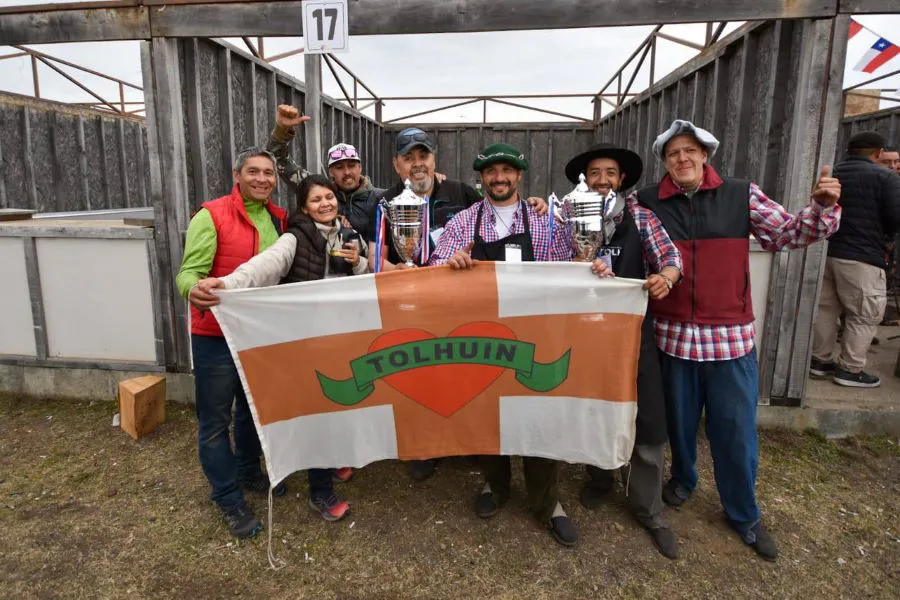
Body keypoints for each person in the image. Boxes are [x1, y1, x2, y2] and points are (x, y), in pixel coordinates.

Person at [635, 119, 842, 561]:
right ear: (665, 162)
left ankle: (743, 513)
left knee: (735, 432)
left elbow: (787, 233)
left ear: (706, 155)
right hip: (672, 336)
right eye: (674, 153)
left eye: (691, 150)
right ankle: (684, 480)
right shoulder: (648, 200)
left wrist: (820, 208)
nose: (683, 159)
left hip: (728, 339)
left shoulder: (739, 193)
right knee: (680, 426)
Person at [373, 128, 547, 482]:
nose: (417, 163)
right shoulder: (384, 203)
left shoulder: (463, 197)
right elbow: (377, 251)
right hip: (425, 308)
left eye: (423, 157)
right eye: (409, 158)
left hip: (519, 323)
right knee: (429, 381)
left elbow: (563, 268)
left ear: (435, 161)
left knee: (522, 400)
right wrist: (443, 265)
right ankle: (440, 452)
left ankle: (537, 485)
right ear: (397, 164)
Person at [430, 142, 580, 547]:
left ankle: (548, 503)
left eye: (507, 171)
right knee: (488, 413)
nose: (499, 177)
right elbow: (431, 266)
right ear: (481, 178)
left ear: (520, 175)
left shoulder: (545, 221)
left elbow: (573, 265)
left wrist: (593, 261)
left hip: (535, 333)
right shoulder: (463, 222)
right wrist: (451, 265)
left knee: (539, 415)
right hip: (484, 336)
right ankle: (495, 486)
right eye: (491, 171)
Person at [195, 174, 367, 522]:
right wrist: (226, 284)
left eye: (329, 197)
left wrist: (359, 262)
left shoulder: (350, 235)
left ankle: (327, 463)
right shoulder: (294, 239)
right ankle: (320, 492)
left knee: (337, 409)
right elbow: (261, 267)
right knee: (319, 415)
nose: (325, 204)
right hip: (304, 345)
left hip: (340, 340)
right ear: (304, 207)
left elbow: (372, 275)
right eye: (316, 199)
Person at [563, 143, 683, 559]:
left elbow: (671, 257)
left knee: (648, 420)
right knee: (594, 410)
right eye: (594, 172)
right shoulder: (566, 216)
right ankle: (600, 480)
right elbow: (550, 265)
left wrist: (666, 275)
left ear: (622, 179)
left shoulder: (641, 217)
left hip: (634, 335)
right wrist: (581, 267)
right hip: (586, 336)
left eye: (609, 172)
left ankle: (648, 509)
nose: (601, 179)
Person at [176, 147, 289, 538]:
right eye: (253, 172)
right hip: (215, 335)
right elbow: (188, 273)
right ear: (236, 175)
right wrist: (193, 290)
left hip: (257, 334)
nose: (262, 179)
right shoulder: (211, 215)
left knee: (250, 411)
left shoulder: (278, 219)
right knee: (215, 421)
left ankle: (248, 471)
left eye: (269, 173)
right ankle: (227, 496)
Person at [810, 131, 900, 388]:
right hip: (863, 257)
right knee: (864, 314)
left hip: (827, 253)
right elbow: (896, 217)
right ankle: (850, 369)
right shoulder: (886, 178)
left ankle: (820, 361)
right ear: (878, 153)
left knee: (826, 310)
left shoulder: (833, 174)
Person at [267, 104, 383, 239]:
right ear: (330, 172)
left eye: (351, 165)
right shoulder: (316, 190)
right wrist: (281, 131)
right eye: (339, 167)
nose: (346, 172)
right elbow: (278, 160)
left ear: (360, 168)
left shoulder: (381, 198)